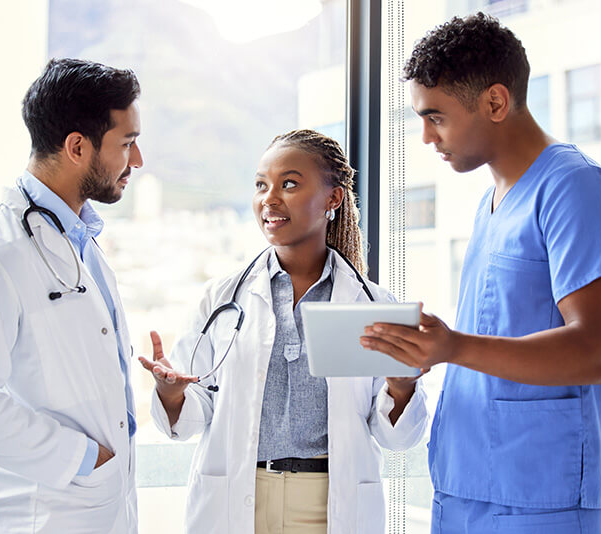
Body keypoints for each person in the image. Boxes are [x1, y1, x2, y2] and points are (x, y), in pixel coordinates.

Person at [361, 13, 601, 533]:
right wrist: (426, 350)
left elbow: (597, 351)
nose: (425, 137)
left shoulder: (577, 192)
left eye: (436, 117)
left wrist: (454, 347)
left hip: (541, 499)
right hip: (465, 488)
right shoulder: (492, 204)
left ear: (494, 102)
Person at [141, 129, 429, 534]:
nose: (269, 199)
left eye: (289, 184)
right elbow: (191, 416)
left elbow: (397, 439)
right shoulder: (221, 297)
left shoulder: (372, 305)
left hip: (329, 504)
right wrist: (171, 394)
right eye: (261, 185)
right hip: (240, 499)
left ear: (333, 198)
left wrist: (402, 389)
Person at [0, 58, 143, 534]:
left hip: (97, 509)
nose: (138, 161)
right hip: (36, 516)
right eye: (127, 144)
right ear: (77, 147)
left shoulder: (79, 242)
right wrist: (86, 459)